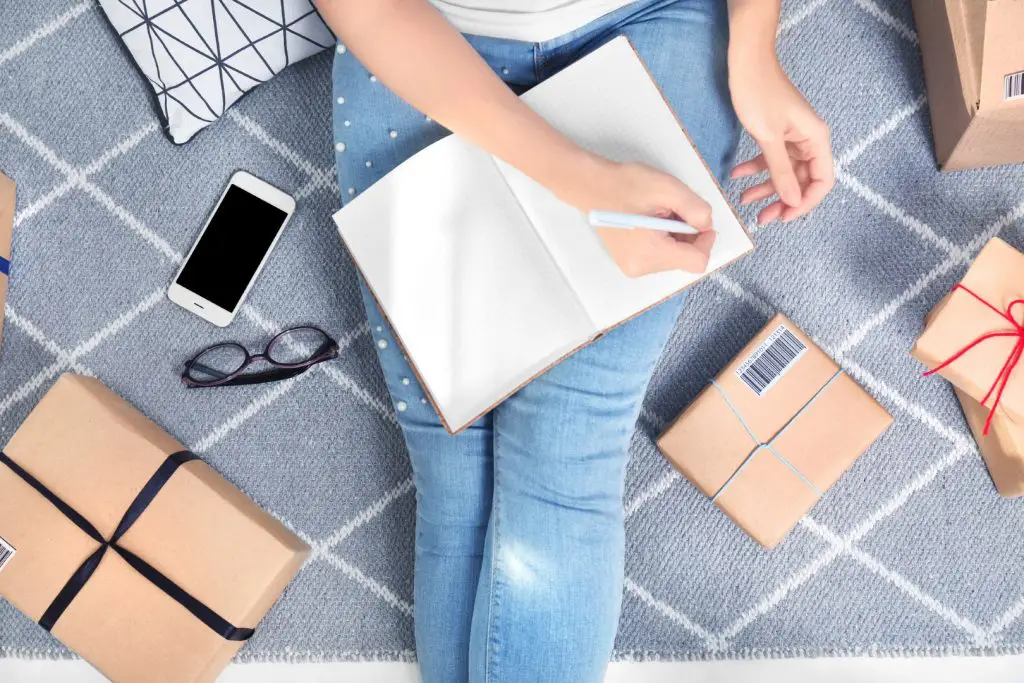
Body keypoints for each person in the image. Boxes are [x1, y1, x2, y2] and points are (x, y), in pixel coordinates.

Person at [313, 1, 834, 681]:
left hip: (657, 17)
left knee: (565, 446)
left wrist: (755, 49)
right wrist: (584, 184)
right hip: (420, 42)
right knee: (454, 464)